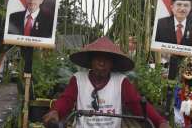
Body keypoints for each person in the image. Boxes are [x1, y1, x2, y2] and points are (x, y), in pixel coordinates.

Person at [42, 37, 170, 128]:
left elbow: (136, 103)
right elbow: (67, 100)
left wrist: (160, 121)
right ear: (91, 60)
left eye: (106, 59)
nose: (101, 63)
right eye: (98, 58)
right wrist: (56, 111)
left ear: (112, 63)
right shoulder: (78, 79)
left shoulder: (121, 81)